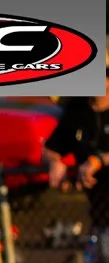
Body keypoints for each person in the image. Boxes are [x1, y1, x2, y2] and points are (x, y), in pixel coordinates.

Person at [42, 68, 109, 228]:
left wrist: (98, 160)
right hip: (100, 210)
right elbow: (50, 149)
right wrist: (54, 163)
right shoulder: (77, 110)